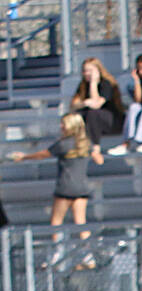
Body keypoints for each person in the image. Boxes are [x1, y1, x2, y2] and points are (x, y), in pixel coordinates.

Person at [10, 113, 96, 266]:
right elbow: (97, 157)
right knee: (81, 223)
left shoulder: (64, 144)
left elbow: (43, 154)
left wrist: (24, 157)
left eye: (64, 124)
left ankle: (57, 253)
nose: (61, 127)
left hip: (65, 187)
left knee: (56, 221)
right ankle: (88, 255)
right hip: (81, 188)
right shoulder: (85, 143)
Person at [70, 57, 124, 165]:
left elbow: (96, 104)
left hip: (112, 122)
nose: (87, 73)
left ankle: (96, 148)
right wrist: (85, 103)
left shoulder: (106, 84)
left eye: (90, 70)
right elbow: (73, 105)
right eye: (85, 71)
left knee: (93, 113)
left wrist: (93, 83)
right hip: (94, 124)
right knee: (75, 116)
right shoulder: (83, 85)